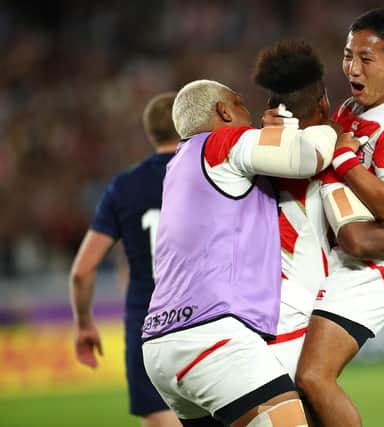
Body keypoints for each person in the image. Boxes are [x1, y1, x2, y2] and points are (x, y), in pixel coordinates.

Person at [141, 79, 349, 427]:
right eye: (241, 107)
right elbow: (306, 155)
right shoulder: (221, 141)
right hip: (211, 336)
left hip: (160, 347)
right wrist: (331, 131)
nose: (251, 117)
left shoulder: (178, 166)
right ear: (224, 109)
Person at [252, 40, 384, 380]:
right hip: (295, 306)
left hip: (255, 299)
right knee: (304, 395)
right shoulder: (329, 158)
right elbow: (356, 238)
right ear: (323, 102)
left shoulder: (250, 150)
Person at [294, 8, 384, 427]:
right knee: (294, 383)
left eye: (365, 59)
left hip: (372, 267)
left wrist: (342, 153)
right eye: (348, 55)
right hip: (334, 257)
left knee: (313, 376)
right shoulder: (353, 107)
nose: (352, 68)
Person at [69, 92, 182, 427]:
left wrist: (84, 325)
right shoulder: (208, 174)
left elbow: (81, 271)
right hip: (204, 320)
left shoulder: (124, 186)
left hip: (147, 326)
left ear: (151, 133)